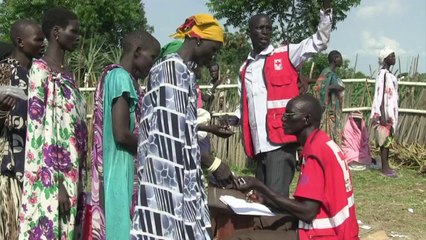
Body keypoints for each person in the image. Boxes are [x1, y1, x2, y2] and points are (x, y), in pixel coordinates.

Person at [130, 14, 235, 240]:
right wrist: (213, 164)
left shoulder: (182, 72)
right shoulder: (172, 71)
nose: (212, 57)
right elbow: (170, 138)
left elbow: (182, 127)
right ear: (198, 40)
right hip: (166, 176)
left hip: (177, 174)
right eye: (213, 49)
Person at [222, 0, 332, 200]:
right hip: (258, 144)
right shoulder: (244, 68)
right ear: (250, 32)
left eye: (268, 28)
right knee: (260, 198)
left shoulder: (287, 54)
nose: (265, 32)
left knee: (277, 198)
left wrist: (325, 13)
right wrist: (232, 118)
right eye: (260, 28)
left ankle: (283, 230)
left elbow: (319, 42)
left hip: (280, 142)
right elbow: (243, 105)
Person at [233, 94, 359, 240]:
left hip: (325, 234)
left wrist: (258, 185)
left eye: (289, 114)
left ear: (306, 119)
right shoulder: (322, 143)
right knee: (259, 221)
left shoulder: (315, 152)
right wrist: (266, 200)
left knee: (240, 238)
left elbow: (307, 212)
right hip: (334, 229)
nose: (283, 118)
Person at [19, 7, 88, 239]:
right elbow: (38, 130)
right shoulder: (40, 71)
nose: (77, 37)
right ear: (56, 32)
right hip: (51, 176)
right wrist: (55, 185)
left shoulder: (67, 74)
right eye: (73, 32)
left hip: (73, 172)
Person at [85, 31, 160, 240]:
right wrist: (156, 146)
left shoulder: (124, 79)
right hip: (121, 168)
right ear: (137, 52)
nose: (152, 65)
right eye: (152, 58)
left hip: (121, 166)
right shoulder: (120, 78)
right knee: (121, 229)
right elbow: (121, 134)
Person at [0, 19, 44, 240]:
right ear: (20, 42)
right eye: (38, 39)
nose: (43, 43)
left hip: (34, 165)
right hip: (9, 167)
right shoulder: (5, 72)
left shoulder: (38, 73)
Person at [370, 48, 398, 177]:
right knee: (384, 141)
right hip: (384, 112)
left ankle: (386, 166)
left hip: (390, 112)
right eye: (391, 56)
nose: (394, 58)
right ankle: (384, 168)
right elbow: (380, 94)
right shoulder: (383, 74)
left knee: (388, 141)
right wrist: (381, 114)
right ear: (385, 58)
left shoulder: (389, 74)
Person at [314, 50, 345, 145]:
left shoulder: (332, 74)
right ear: (335, 59)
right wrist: (338, 87)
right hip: (328, 111)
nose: (341, 60)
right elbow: (321, 87)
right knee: (328, 136)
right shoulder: (327, 73)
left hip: (334, 110)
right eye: (340, 57)